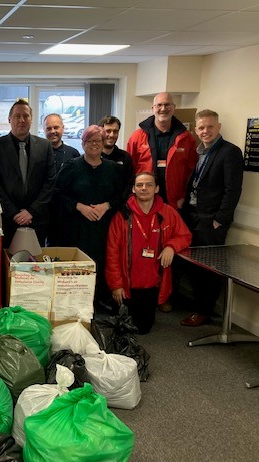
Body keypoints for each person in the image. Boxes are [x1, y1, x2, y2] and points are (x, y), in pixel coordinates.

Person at [106, 172, 192, 334]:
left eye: (149, 185)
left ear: (157, 188)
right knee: (122, 329)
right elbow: (112, 253)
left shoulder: (168, 213)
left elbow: (185, 236)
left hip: (152, 285)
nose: (144, 188)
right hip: (127, 285)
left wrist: (171, 247)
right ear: (133, 189)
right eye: (139, 185)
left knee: (143, 329)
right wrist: (116, 285)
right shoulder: (122, 216)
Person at [180, 109, 244, 327]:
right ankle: (200, 306)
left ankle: (204, 311)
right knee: (195, 267)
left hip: (211, 222)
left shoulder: (230, 152)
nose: (205, 131)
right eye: (201, 127)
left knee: (210, 269)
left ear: (218, 127)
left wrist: (220, 220)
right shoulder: (199, 152)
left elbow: (232, 190)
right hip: (194, 217)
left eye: (209, 126)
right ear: (196, 130)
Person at [56, 125, 122, 302]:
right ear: (83, 143)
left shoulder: (113, 169)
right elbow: (57, 194)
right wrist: (79, 206)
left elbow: (122, 197)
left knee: (102, 263)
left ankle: (98, 300)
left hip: (103, 227)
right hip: (76, 228)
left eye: (98, 141)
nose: (94, 144)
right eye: (89, 141)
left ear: (103, 143)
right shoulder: (72, 166)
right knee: (77, 266)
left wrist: (106, 205)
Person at [0, 99, 56, 247]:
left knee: (36, 265)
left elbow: (50, 182)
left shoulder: (45, 146)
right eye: (17, 116)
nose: (21, 120)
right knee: (7, 264)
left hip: (37, 219)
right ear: (9, 119)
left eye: (26, 116)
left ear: (32, 119)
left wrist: (31, 211)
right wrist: (13, 212)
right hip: (7, 219)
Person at [126, 92, 197, 210]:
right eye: (159, 105)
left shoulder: (187, 138)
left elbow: (191, 172)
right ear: (153, 109)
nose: (163, 108)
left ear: (174, 108)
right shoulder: (137, 137)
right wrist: (132, 196)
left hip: (174, 202)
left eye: (167, 104)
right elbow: (129, 170)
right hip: (144, 199)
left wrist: (183, 197)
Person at [43, 113, 80, 246]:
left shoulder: (73, 154)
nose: (53, 131)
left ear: (63, 128)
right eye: (48, 128)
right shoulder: (38, 152)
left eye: (56, 127)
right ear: (44, 130)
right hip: (43, 211)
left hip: (67, 213)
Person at [98, 115, 134, 199]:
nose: (112, 135)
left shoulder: (125, 158)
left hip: (120, 207)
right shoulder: (92, 157)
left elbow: (129, 185)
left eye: (115, 131)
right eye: (108, 131)